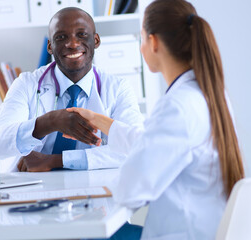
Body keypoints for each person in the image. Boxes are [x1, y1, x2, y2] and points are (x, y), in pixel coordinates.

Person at [66, 0, 245, 239]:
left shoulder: (178, 107)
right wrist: (99, 120)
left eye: (141, 38)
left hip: (185, 233)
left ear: (153, 42)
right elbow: (153, 143)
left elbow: (131, 190)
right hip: (203, 227)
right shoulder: (207, 94)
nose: (141, 48)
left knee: (84, 233)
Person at [0, 7, 144, 172]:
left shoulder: (117, 88)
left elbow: (136, 148)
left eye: (82, 34)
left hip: (93, 185)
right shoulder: (27, 84)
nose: (72, 44)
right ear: (50, 46)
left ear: (96, 41)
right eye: (61, 37)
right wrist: (49, 122)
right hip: (36, 186)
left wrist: (56, 160)